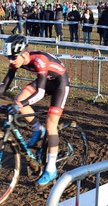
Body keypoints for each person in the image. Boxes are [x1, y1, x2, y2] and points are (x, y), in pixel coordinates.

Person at [0, 34, 70, 186]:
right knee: (18, 99)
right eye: (8, 58)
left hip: (60, 84)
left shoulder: (39, 61)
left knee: (51, 123)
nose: (11, 61)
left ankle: (51, 169)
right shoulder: (17, 61)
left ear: (23, 53)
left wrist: (19, 106)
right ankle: (38, 129)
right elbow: (4, 86)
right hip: (45, 80)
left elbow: (40, 93)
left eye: (13, 57)